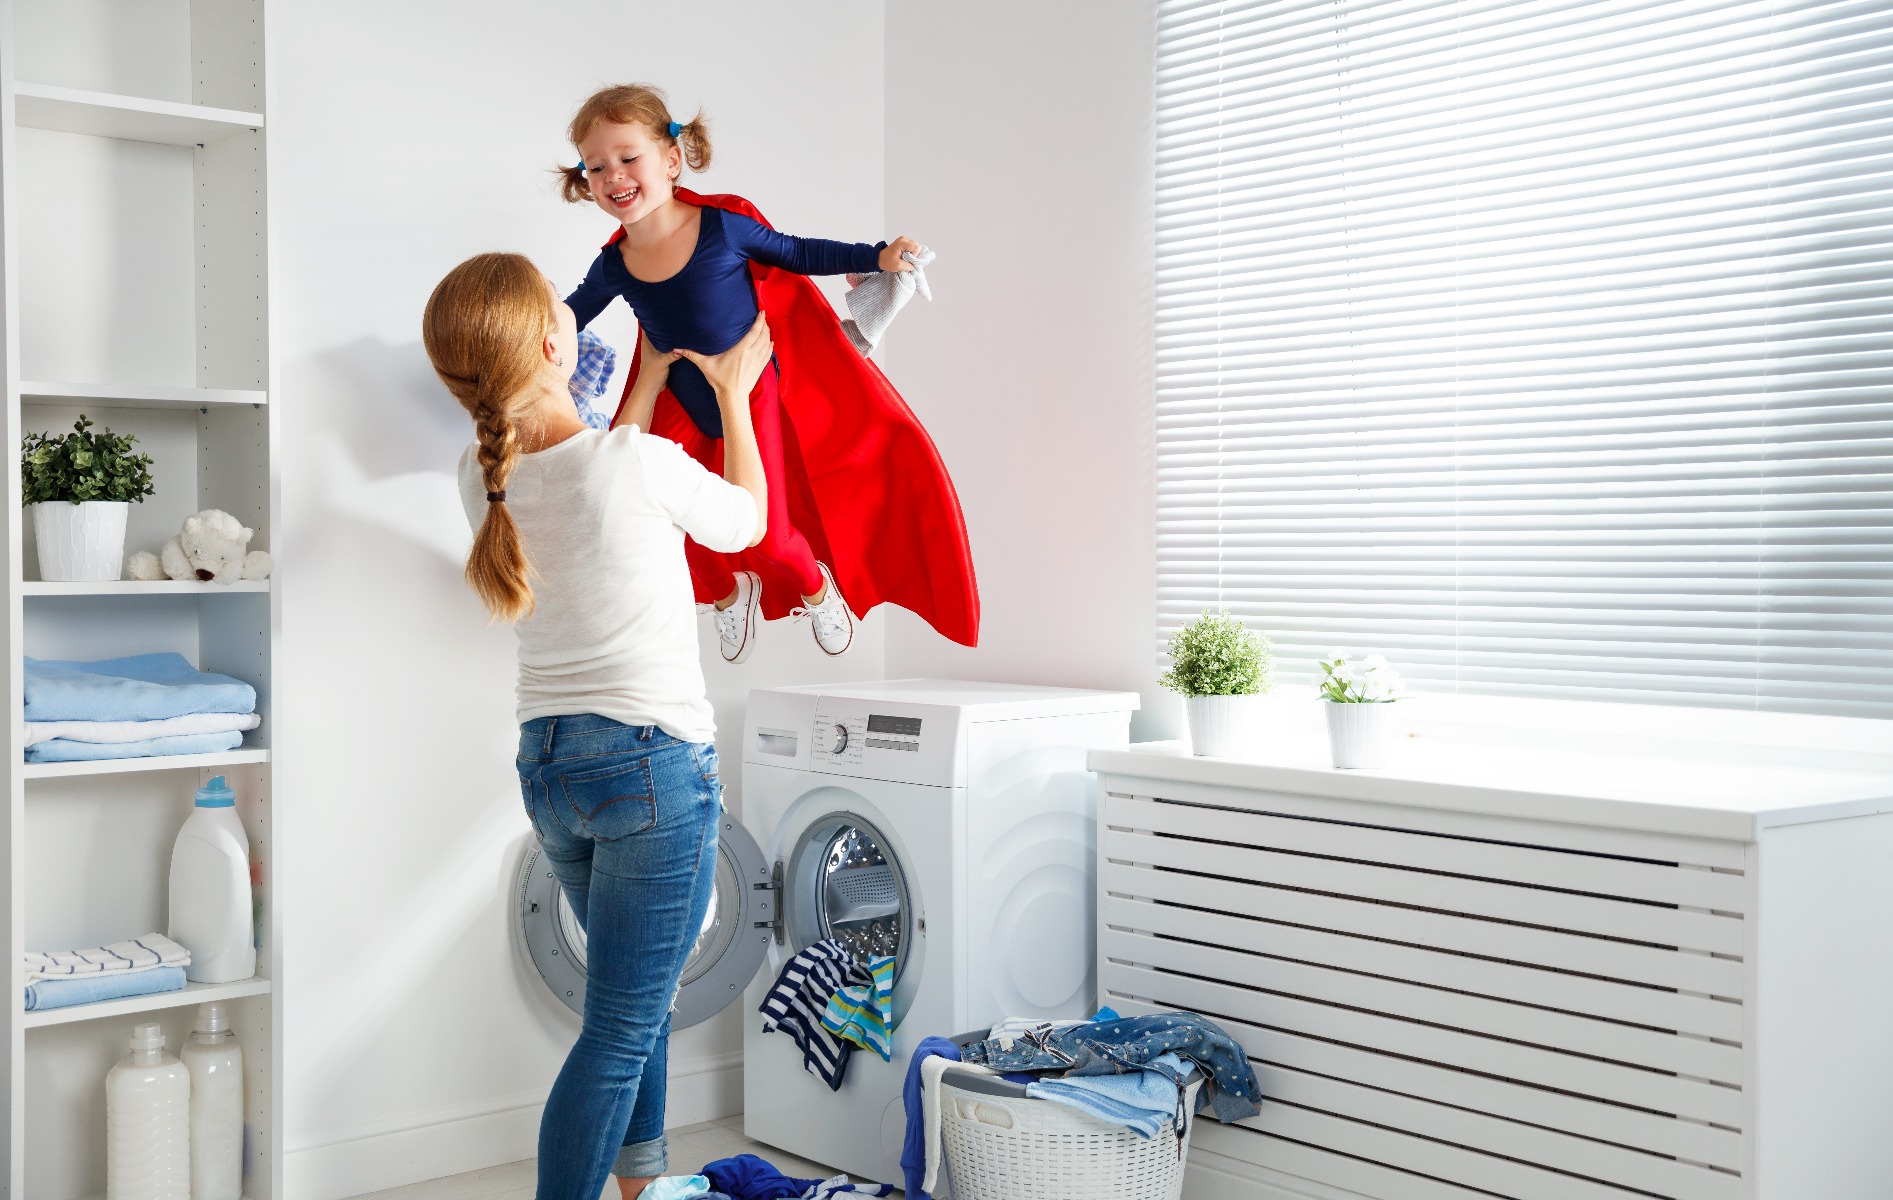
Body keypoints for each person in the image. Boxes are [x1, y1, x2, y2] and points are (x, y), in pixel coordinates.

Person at [423, 250, 772, 1200]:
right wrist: (734, 395)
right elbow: (744, 523)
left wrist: (649, 380)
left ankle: (644, 1186)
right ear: (550, 341)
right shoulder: (639, 465)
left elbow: (591, 469)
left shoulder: (481, 478)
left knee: (635, 996)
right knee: (621, 1024)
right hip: (652, 767)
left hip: (553, 769)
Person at [556, 82, 982, 662]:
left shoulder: (721, 231)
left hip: (750, 388)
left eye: (628, 158)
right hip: (680, 398)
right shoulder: (615, 264)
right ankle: (732, 595)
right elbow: (569, 316)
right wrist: (521, 339)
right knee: (663, 523)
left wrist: (876, 254)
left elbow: (798, 253)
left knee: (767, 532)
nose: (613, 175)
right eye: (596, 167)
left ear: (672, 159)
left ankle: (816, 587)